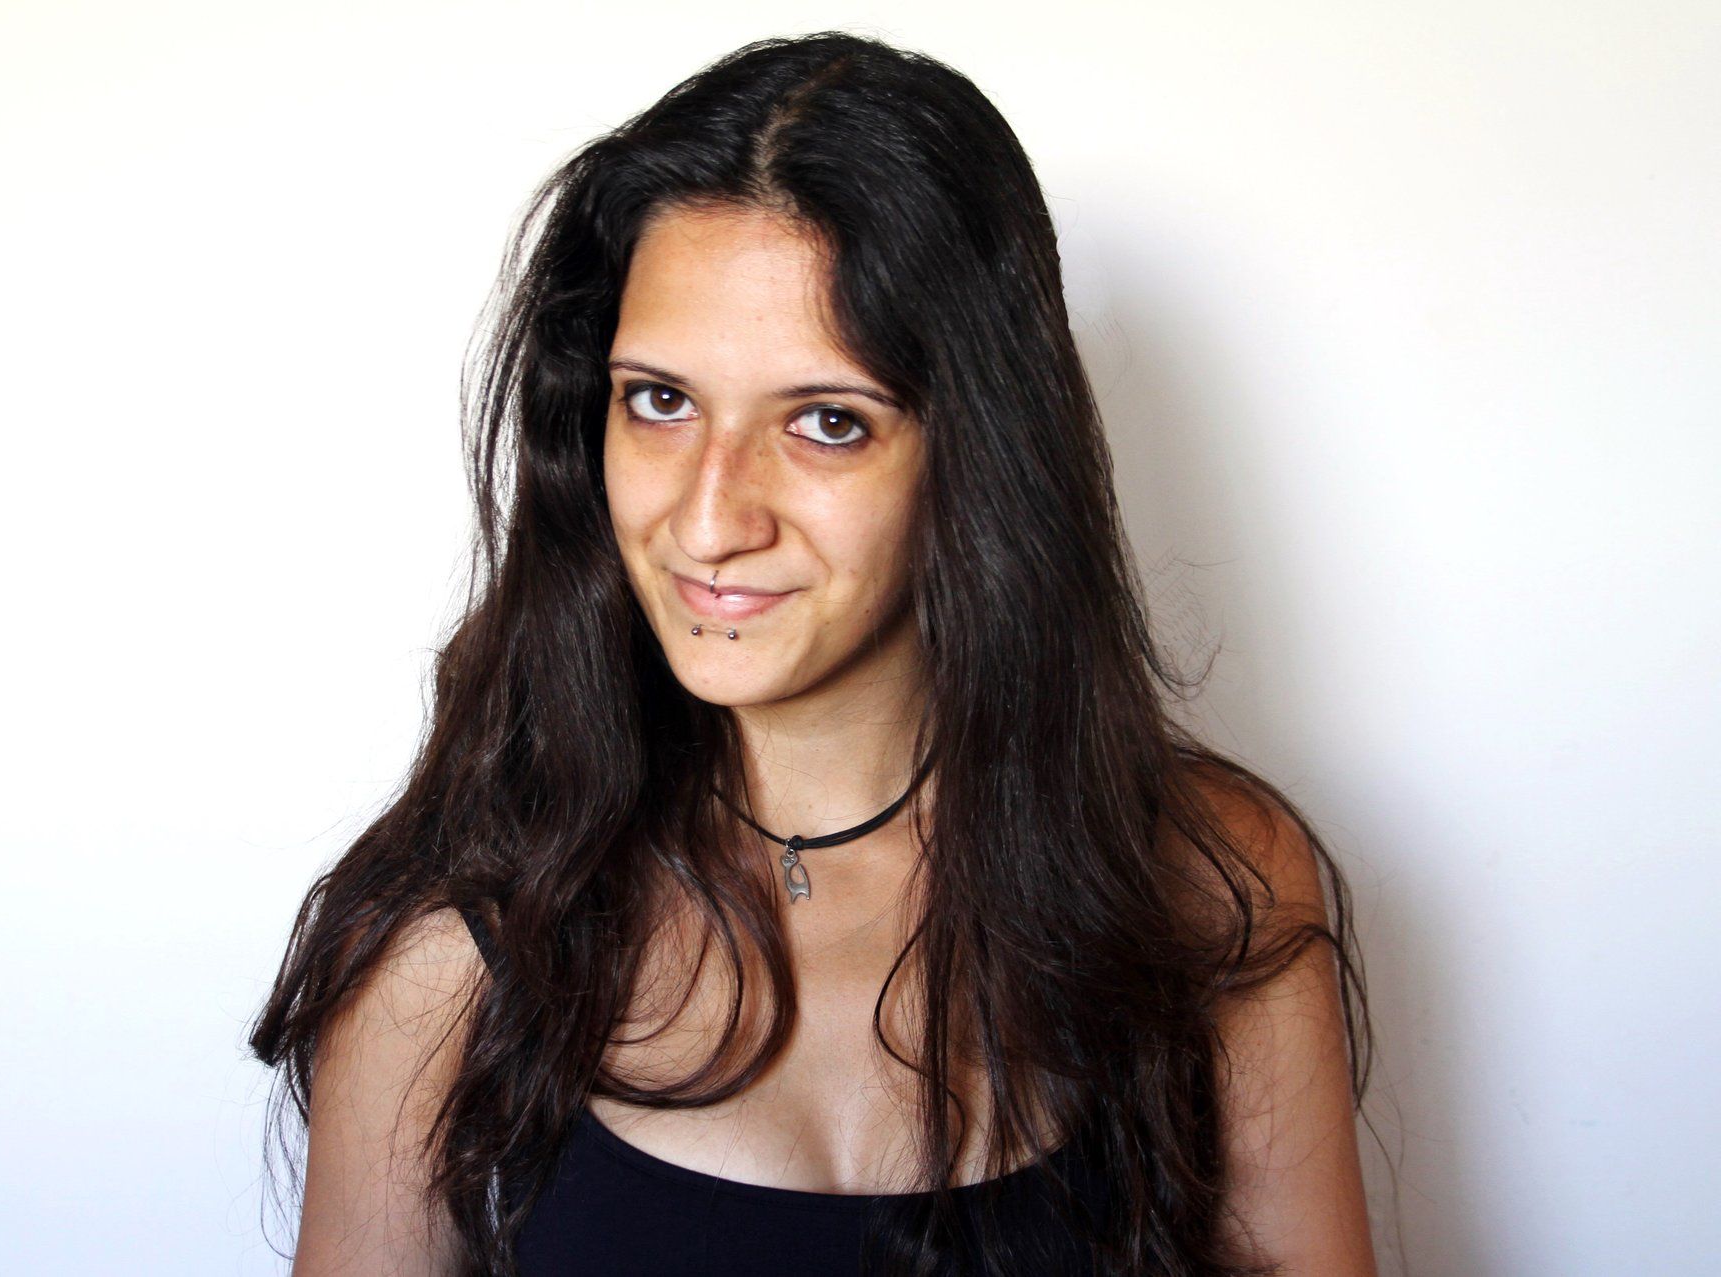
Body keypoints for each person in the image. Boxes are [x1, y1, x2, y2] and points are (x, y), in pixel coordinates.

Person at [249, 30, 1379, 1277]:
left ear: (980, 452)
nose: (709, 518)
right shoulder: (451, 941)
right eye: (660, 400)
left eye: (827, 421)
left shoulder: (1209, 884)